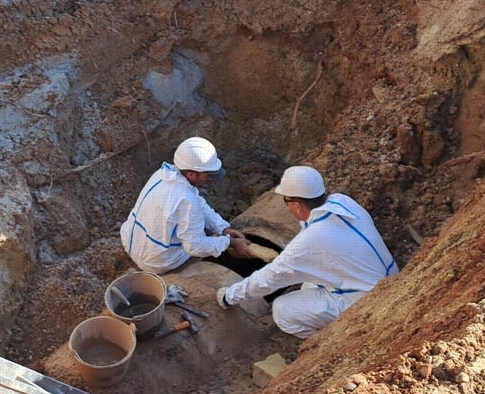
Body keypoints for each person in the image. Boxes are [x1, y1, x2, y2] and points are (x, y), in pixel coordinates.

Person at [215, 166, 397, 338]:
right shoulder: (342, 201)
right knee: (308, 283)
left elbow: (268, 279)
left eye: (286, 201)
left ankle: (330, 343)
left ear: (297, 205)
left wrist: (229, 296)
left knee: (282, 310)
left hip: (370, 302)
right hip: (393, 281)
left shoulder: (309, 242)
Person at [120, 136, 254, 274]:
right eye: (207, 174)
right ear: (190, 174)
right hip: (156, 262)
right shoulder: (186, 200)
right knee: (201, 239)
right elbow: (194, 247)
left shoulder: (163, 174)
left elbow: (199, 203)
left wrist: (222, 228)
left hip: (130, 241)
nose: (210, 178)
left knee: (195, 226)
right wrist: (228, 243)